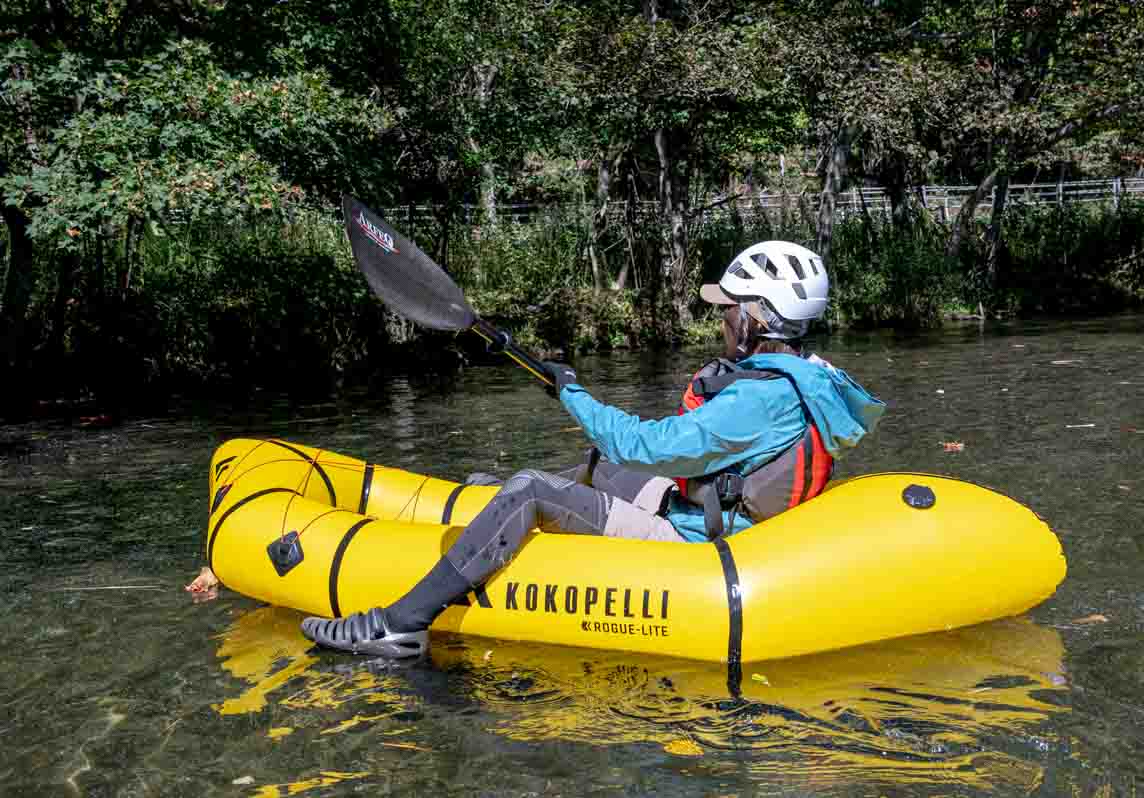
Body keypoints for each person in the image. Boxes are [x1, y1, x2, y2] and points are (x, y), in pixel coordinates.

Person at [300, 240, 885, 658]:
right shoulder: (806, 374)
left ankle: (398, 625)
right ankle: (488, 511)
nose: (723, 317)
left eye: (732, 307)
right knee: (598, 467)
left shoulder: (760, 400)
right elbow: (655, 454)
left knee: (532, 485)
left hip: (701, 544)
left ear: (760, 315)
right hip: (722, 515)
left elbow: (644, 444)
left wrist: (571, 391)